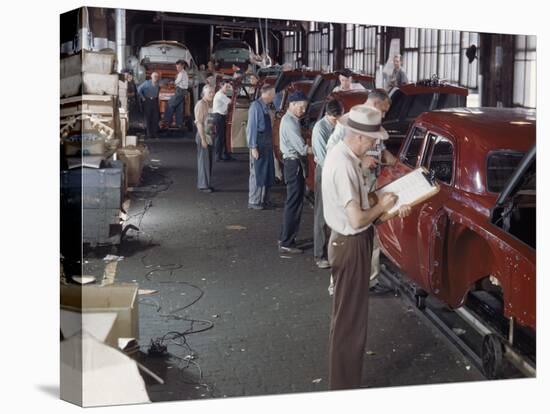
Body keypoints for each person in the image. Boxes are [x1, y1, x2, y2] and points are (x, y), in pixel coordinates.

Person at [322, 104, 411, 390]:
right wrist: (382, 205)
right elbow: (358, 218)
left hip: (346, 241)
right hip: (351, 243)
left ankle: (344, 384)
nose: (375, 145)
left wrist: (385, 205)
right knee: (351, 324)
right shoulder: (345, 165)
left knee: (347, 319)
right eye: (372, 140)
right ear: (359, 136)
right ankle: (344, 389)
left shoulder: (343, 156)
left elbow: (361, 206)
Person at [325, 89, 397, 293]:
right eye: (383, 110)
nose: (384, 116)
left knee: (370, 231)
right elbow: (330, 150)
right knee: (348, 226)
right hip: (351, 180)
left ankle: (369, 280)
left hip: (367, 181)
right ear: (374, 103)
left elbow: (381, 150)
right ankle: (338, 283)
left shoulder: (372, 124)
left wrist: (397, 164)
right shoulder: (350, 123)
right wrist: (358, 162)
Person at [278, 91, 313, 254]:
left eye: (305, 107)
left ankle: (285, 237)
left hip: (292, 164)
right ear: (292, 104)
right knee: (294, 203)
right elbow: (302, 149)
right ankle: (287, 242)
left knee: (292, 202)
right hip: (294, 164)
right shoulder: (291, 122)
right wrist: (320, 150)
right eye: (301, 107)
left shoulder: (290, 120)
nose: (303, 111)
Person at [312, 99, 344, 269]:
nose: (337, 122)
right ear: (327, 115)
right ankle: (319, 254)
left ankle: (334, 252)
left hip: (336, 173)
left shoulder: (339, 125)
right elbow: (324, 159)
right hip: (325, 172)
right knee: (321, 214)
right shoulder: (320, 129)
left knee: (335, 214)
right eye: (334, 119)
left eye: (339, 118)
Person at [247, 84, 276, 210]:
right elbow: (251, 128)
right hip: (258, 143)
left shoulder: (266, 107)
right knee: (256, 173)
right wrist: (253, 147)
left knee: (267, 172)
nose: (274, 97)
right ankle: (254, 201)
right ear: (268, 94)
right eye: (273, 94)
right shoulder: (255, 107)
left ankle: (264, 200)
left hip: (267, 143)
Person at [194, 84, 216, 193]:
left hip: (209, 136)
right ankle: (203, 185)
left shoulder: (209, 104)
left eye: (213, 92)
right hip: (203, 135)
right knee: (204, 161)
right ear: (203, 94)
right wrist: (203, 139)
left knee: (208, 161)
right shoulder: (201, 104)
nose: (212, 94)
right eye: (209, 93)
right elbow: (199, 123)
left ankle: (206, 183)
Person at [162, 59, 188, 128]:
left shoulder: (181, 74)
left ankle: (166, 121)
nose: (177, 68)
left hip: (180, 91)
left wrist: (169, 82)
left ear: (183, 66)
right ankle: (178, 123)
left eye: (179, 67)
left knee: (170, 103)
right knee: (179, 107)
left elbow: (176, 82)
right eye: (176, 67)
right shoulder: (184, 73)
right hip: (183, 92)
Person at [212, 81, 233, 161]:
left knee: (223, 137)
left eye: (228, 87)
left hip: (221, 116)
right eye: (226, 87)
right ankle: (218, 156)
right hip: (219, 117)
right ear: (221, 86)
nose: (227, 89)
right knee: (219, 137)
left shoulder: (222, 94)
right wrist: (232, 89)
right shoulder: (220, 95)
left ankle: (225, 155)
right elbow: (231, 102)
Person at [137, 72, 160, 139]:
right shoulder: (147, 83)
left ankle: (155, 134)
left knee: (155, 118)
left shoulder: (158, 83)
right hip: (148, 101)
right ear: (151, 77)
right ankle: (149, 134)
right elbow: (139, 89)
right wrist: (143, 98)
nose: (155, 77)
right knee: (148, 118)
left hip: (155, 101)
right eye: (154, 76)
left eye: (156, 76)